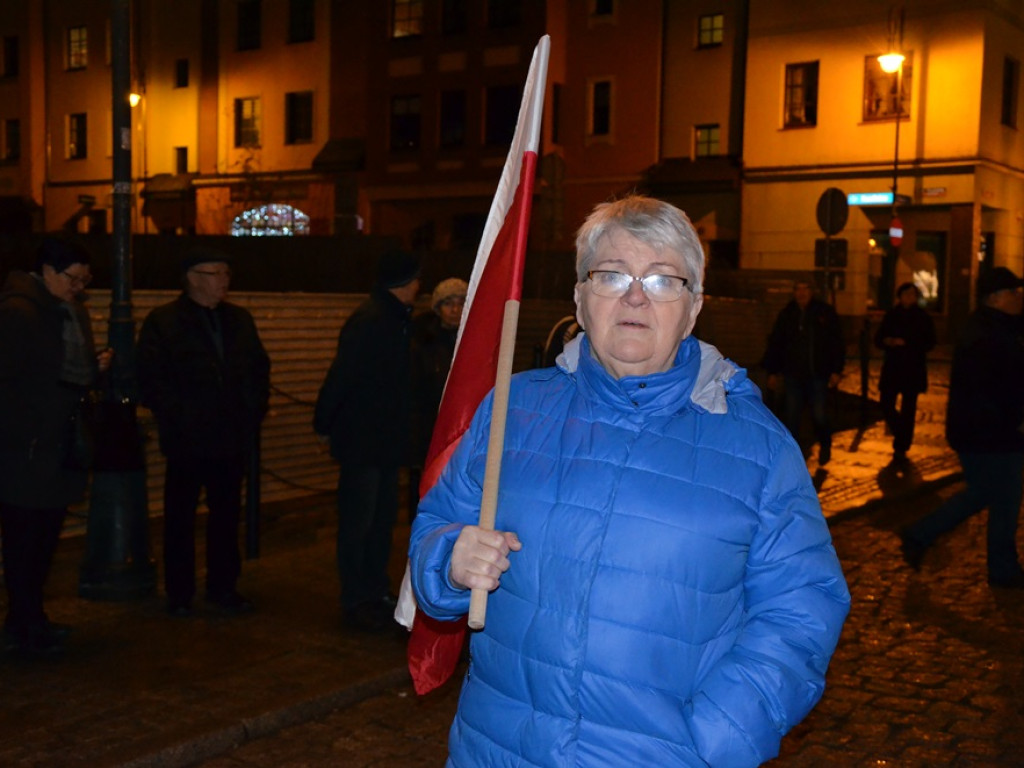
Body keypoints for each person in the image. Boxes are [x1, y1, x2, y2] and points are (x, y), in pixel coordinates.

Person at [409, 195, 850, 767]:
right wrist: (448, 558)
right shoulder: (514, 409)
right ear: (580, 297)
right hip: (497, 751)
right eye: (612, 274)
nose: (636, 295)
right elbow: (434, 529)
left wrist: (715, 739)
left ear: (693, 309)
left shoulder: (759, 448)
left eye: (664, 280)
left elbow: (802, 608)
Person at [137, 247, 270, 617]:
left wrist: (251, 412)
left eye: (227, 273)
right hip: (187, 441)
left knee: (226, 517)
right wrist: (179, 417)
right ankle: (179, 593)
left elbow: (258, 368)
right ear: (193, 278)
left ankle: (223, 586)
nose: (224, 281)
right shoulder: (164, 322)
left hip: (230, 438)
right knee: (179, 519)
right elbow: (151, 377)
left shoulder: (239, 320)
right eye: (215, 274)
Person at [0, 237, 113, 654]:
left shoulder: (68, 311)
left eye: (85, 279)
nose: (79, 287)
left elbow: (70, 375)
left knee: (45, 538)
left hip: (60, 443)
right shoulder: (18, 313)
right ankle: (22, 623)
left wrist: (94, 368)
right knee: (24, 540)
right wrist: (26, 429)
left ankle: (33, 619)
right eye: (73, 278)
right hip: (27, 449)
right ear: (47, 271)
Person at [314, 249, 420, 632]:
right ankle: (357, 595)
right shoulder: (374, 321)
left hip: (384, 440)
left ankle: (373, 590)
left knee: (379, 521)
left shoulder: (394, 319)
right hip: (366, 441)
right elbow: (345, 375)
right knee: (361, 520)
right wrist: (324, 422)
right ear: (405, 283)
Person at [900, 266, 1024, 589]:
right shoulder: (985, 334)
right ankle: (921, 534)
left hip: (993, 431)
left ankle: (1002, 566)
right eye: (1014, 292)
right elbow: (991, 388)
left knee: (998, 496)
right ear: (996, 298)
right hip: (988, 432)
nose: (1019, 297)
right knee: (996, 494)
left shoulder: (1002, 327)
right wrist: (1010, 417)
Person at [762, 279, 846, 465]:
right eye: (798, 289)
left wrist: (836, 370)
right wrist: (773, 371)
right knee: (792, 415)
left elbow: (836, 342)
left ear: (812, 291)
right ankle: (794, 456)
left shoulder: (824, 313)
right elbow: (777, 343)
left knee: (819, 414)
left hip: (818, 373)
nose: (801, 293)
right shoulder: (788, 314)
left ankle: (825, 443)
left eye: (805, 288)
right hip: (794, 374)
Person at [410, 277, 468, 502]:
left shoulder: (473, 340)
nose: (455, 309)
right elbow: (415, 392)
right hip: (430, 430)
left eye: (461, 302)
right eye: (448, 303)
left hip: (463, 430)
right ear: (437, 308)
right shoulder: (422, 342)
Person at [874, 282, 936, 463]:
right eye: (906, 294)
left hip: (913, 368)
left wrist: (909, 343)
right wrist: (889, 341)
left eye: (912, 294)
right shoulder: (892, 315)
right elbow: (878, 339)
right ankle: (900, 431)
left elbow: (930, 342)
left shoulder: (923, 317)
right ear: (899, 296)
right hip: (893, 367)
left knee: (909, 409)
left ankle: (902, 445)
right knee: (886, 403)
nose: (909, 297)